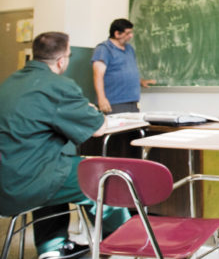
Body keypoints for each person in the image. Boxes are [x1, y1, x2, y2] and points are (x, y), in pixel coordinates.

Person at [0, 32, 130, 259]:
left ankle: (52, 247)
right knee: (107, 178)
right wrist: (90, 110)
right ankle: (123, 242)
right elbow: (98, 127)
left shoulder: (9, 83)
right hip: (31, 179)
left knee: (60, 171)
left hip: (6, 178)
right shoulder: (58, 86)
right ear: (62, 61)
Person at [91, 18, 155, 114]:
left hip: (132, 103)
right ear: (117, 34)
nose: (131, 36)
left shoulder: (129, 49)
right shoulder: (104, 49)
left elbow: (126, 71)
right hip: (114, 104)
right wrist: (102, 98)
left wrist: (140, 81)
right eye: (128, 33)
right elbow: (98, 75)